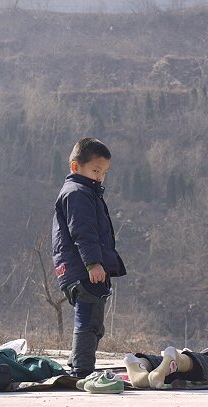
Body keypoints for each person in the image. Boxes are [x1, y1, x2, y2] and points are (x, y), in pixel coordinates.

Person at [52, 137, 126, 378]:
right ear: (76, 167)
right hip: (83, 268)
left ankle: (78, 363)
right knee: (89, 319)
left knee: (93, 319)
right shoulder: (77, 193)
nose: (100, 177)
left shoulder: (85, 192)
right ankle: (82, 370)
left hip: (80, 267)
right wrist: (93, 263)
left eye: (104, 172)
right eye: (95, 170)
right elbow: (82, 232)